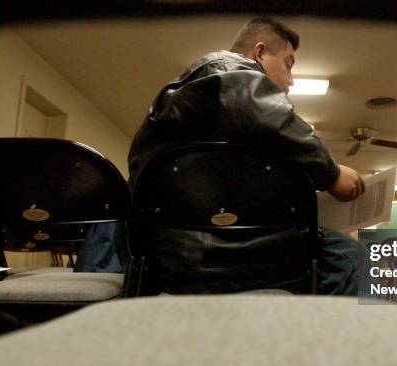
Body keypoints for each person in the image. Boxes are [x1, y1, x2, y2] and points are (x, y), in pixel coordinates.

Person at [128, 16, 366, 295]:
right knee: (354, 255)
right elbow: (250, 100)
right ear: (260, 53)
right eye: (288, 65)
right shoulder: (225, 69)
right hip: (241, 259)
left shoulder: (190, 109)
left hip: (175, 259)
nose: (290, 81)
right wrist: (331, 174)